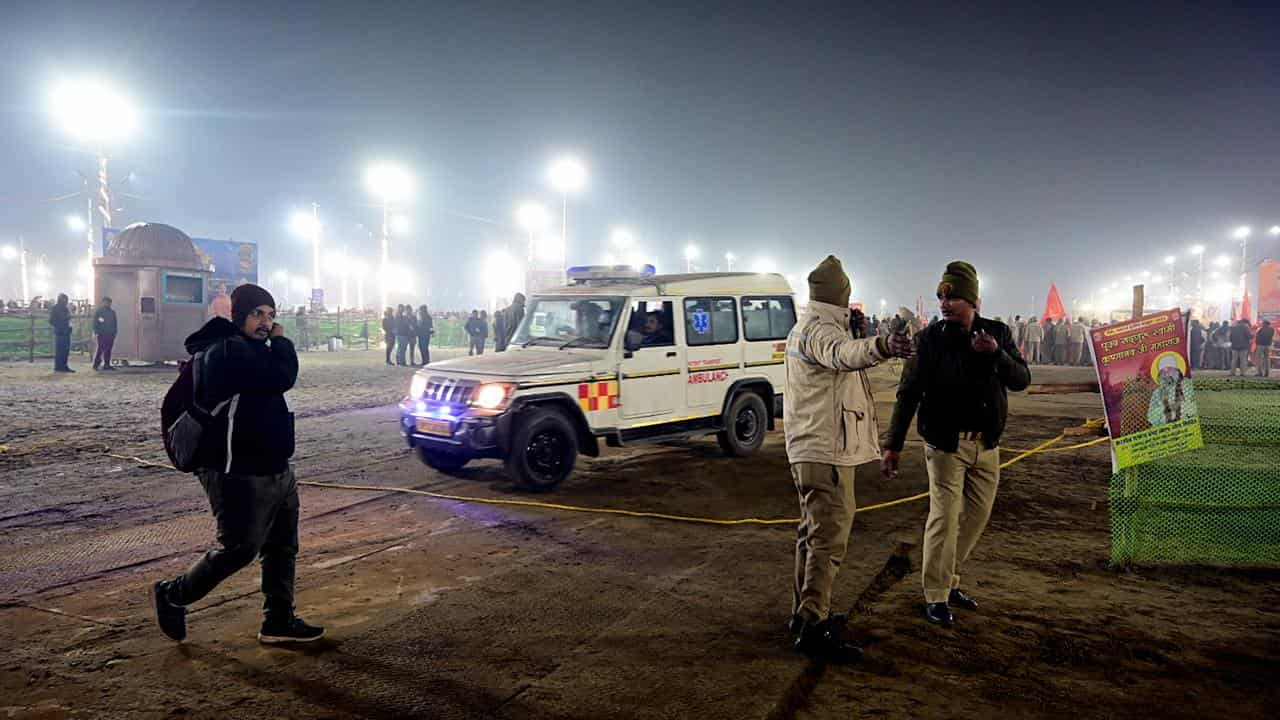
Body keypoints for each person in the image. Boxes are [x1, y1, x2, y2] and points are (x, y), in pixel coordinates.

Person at [152, 283, 323, 645]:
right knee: (239, 548)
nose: (265, 322)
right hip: (235, 469)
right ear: (239, 316)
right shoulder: (227, 351)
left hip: (274, 464)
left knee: (281, 545)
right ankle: (173, 594)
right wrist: (282, 341)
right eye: (257, 314)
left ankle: (278, 620)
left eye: (271, 315)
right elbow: (283, 376)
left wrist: (273, 344)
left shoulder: (252, 349)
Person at [882, 261, 1030, 628]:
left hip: (988, 446)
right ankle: (935, 595)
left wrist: (996, 354)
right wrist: (893, 444)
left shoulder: (997, 333)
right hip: (946, 446)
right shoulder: (929, 339)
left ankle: (949, 581)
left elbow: (1022, 380)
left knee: (975, 519)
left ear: (974, 300)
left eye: (954, 298)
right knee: (944, 519)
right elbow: (908, 393)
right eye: (941, 298)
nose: (945, 304)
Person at [784, 255, 912, 662]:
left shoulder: (807, 325)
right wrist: (882, 345)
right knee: (829, 540)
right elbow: (842, 354)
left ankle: (804, 615)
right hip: (825, 451)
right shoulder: (820, 330)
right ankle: (814, 626)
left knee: (811, 535)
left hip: (811, 448)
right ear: (843, 295)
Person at [1147, 355, 1197, 427]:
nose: (1166, 373)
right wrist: (1166, 407)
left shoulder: (1189, 384)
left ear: (1176, 369)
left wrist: (1180, 407)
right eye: (1163, 371)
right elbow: (1151, 417)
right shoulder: (1157, 392)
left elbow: (1195, 408)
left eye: (1169, 369)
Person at [49, 293, 74, 373]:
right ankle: (59, 366)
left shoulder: (65, 309)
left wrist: (69, 327)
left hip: (66, 331)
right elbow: (52, 320)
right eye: (65, 299)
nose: (66, 301)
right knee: (60, 350)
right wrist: (60, 325)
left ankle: (64, 365)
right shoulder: (55, 308)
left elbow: (68, 319)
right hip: (60, 332)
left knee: (65, 350)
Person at [92, 296, 118, 371]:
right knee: (101, 349)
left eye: (109, 302)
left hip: (110, 334)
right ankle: (96, 364)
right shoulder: (99, 312)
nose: (108, 304)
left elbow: (115, 322)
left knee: (108, 349)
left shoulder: (112, 312)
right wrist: (96, 331)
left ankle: (107, 364)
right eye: (106, 302)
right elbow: (95, 322)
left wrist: (114, 332)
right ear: (103, 302)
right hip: (102, 334)